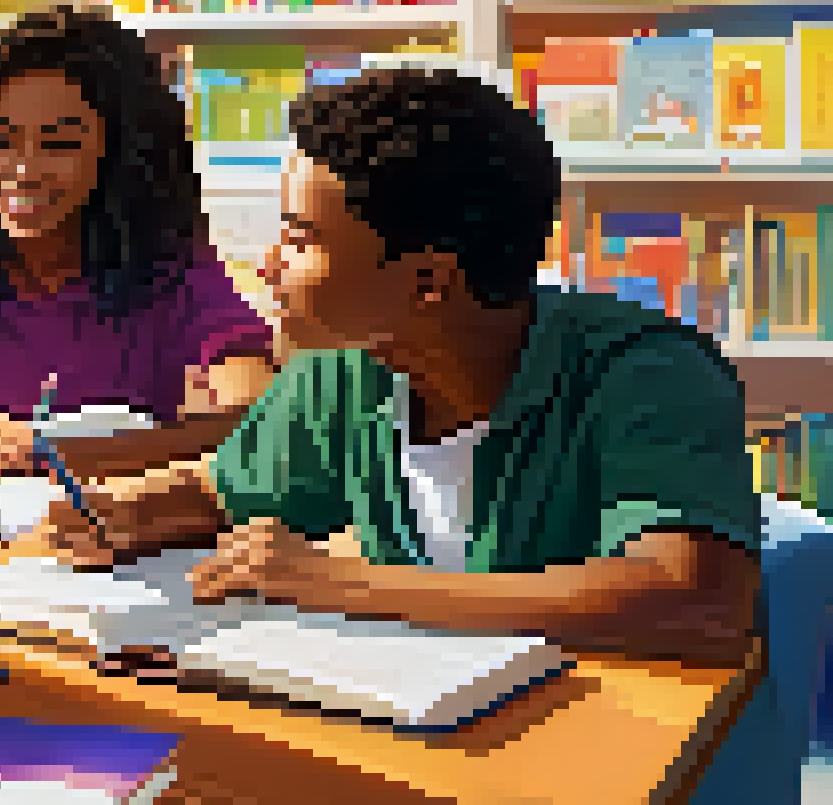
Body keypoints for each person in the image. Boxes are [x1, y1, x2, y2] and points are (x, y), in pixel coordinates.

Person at [41, 67, 760, 671]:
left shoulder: (649, 375)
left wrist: (345, 583)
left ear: (428, 282)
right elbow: (228, 492)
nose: (268, 266)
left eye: (300, 238)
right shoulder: (345, 368)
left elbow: (699, 601)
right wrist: (124, 514)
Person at [0, 9, 277, 480]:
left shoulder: (174, 269)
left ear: (117, 153)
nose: (24, 171)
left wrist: (73, 456)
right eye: (0, 141)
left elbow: (255, 416)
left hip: (116, 518)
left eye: (58, 144)